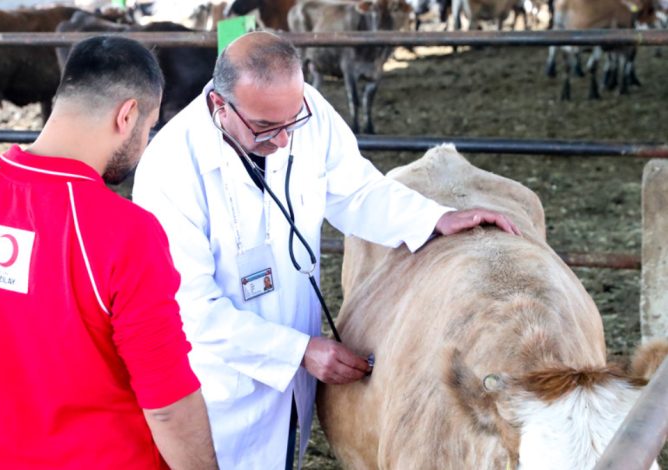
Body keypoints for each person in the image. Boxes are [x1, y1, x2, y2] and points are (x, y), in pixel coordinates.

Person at [132, 31, 521, 469]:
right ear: (221, 106)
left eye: (292, 121)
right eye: (265, 127)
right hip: (221, 388)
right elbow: (191, 308)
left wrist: (432, 218)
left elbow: (357, 191)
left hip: (293, 371)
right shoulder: (170, 169)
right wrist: (298, 351)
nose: (283, 140)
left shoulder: (309, 112)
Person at [0, 36, 217, 470]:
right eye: (149, 126)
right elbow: (167, 403)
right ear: (127, 115)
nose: (145, 142)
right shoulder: (127, 232)